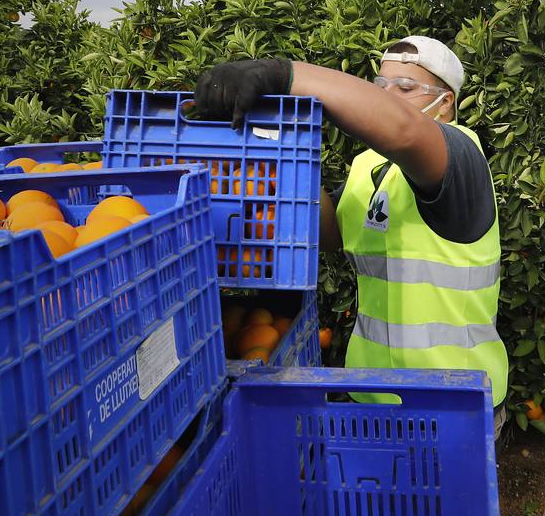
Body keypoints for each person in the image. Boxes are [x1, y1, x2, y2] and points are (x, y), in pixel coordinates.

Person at [194, 36, 507, 433]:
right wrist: (285, 156)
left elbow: (404, 130)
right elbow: (332, 234)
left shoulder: (461, 157)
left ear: (446, 101)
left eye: (406, 88)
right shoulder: (369, 167)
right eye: (382, 86)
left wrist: (283, 74)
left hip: (451, 399)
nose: (390, 96)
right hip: (373, 393)